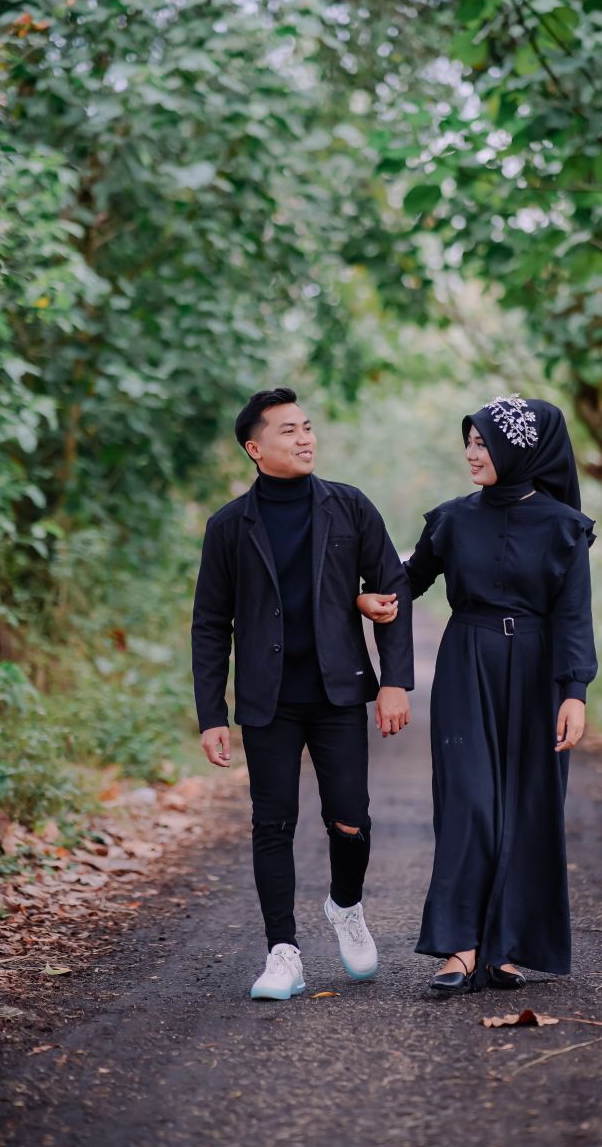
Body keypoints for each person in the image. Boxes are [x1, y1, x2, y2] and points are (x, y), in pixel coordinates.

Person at [358, 394, 597, 994]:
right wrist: (370, 597)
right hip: (467, 664)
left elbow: (574, 615)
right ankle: (461, 948)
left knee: (528, 808)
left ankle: (506, 949)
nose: (472, 453)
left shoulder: (564, 527)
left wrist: (574, 692)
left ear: (520, 451)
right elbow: (406, 582)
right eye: (469, 441)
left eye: (484, 443)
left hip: (540, 673)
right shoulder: (452, 519)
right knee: (469, 803)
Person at [191, 387, 413, 1000]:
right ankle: (282, 952)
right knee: (272, 824)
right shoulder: (229, 526)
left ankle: (346, 905)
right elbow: (210, 623)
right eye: (288, 430)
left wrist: (394, 681)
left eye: (307, 426)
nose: (305, 438)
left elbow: (391, 587)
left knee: (351, 820)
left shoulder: (349, 506)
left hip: (337, 692)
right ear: (255, 448)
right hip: (269, 700)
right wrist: (211, 713)